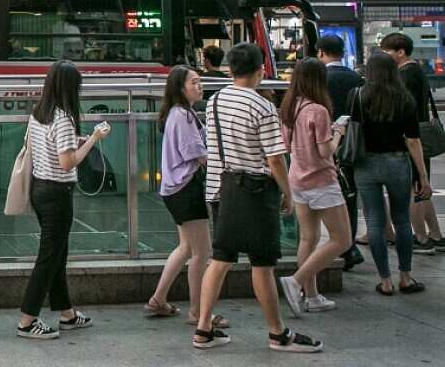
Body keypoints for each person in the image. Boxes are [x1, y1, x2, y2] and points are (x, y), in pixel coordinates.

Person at [193, 43, 321, 353]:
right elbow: (275, 159)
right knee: (262, 262)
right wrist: (287, 193)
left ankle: (203, 328)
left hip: (219, 188)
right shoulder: (262, 107)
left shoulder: (216, 100)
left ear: (229, 69)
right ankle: (277, 334)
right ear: (261, 69)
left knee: (221, 258)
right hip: (254, 191)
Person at [16, 60, 110, 340]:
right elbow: (68, 162)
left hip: (39, 189)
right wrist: (94, 138)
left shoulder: (39, 113)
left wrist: (77, 139)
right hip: (58, 193)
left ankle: (67, 313)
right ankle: (27, 320)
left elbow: (50, 147)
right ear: (70, 88)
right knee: (48, 257)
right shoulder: (64, 118)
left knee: (57, 255)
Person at [145, 66, 225, 329]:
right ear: (180, 88)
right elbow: (199, 156)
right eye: (194, 82)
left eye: (200, 82)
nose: (199, 86)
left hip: (175, 189)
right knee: (203, 253)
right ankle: (197, 311)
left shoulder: (180, 113)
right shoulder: (183, 117)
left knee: (186, 249)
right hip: (186, 190)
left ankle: (158, 299)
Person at [276, 58, 353, 314]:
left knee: (308, 238)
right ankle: (296, 281)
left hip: (297, 178)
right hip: (321, 181)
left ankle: (312, 296)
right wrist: (338, 131)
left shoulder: (290, 107)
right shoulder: (318, 110)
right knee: (342, 239)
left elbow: (286, 147)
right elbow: (325, 152)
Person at [353, 52, 431, 296]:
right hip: (397, 163)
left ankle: (385, 280)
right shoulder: (405, 99)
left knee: (375, 221)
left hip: (365, 164)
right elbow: (413, 141)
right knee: (402, 220)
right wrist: (423, 176)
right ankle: (405, 277)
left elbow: (351, 131)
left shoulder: (357, 96)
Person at [380, 33, 445, 255]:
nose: (385, 56)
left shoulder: (404, 75)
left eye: (387, 51)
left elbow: (402, 110)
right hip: (419, 135)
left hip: (410, 137)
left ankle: (420, 238)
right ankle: (436, 235)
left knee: (412, 190)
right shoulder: (416, 70)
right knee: (421, 187)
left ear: (400, 52)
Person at [317, 35, 367, 270]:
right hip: (353, 143)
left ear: (321, 53)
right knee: (349, 194)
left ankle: (339, 245)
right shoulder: (355, 77)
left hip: (326, 143)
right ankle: (348, 244)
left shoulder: (320, 78)